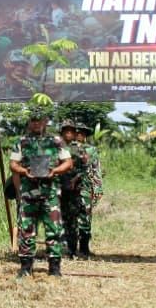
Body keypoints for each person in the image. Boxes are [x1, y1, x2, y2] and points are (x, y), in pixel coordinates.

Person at [9, 104, 73, 278]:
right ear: (29, 122)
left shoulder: (56, 141)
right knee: (26, 231)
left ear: (46, 121)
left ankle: (54, 268)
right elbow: (13, 164)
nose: (36, 123)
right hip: (28, 194)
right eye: (33, 120)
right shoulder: (21, 142)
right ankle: (25, 268)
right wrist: (24, 172)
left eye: (40, 120)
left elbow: (68, 162)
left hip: (50, 194)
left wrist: (55, 171)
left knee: (54, 230)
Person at [57, 119, 89, 259]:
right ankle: (62, 249)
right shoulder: (56, 146)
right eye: (66, 130)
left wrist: (76, 179)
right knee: (59, 219)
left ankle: (72, 249)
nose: (68, 133)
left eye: (71, 130)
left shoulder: (79, 149)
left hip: (74, 190)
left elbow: (84, 168)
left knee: (73, 220)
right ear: (62, 132)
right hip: (58, 189)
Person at [75, 122, 103, 258]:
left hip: (85, 187)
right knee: (70, 219)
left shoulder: (91, 150)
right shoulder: (67, 149)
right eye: (77, 132)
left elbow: (96, 170)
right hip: (70, 188)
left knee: (85, 218)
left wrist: (98, 188)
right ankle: (71, 249)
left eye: (82, 132)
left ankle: (84, 248)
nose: (79, 135)